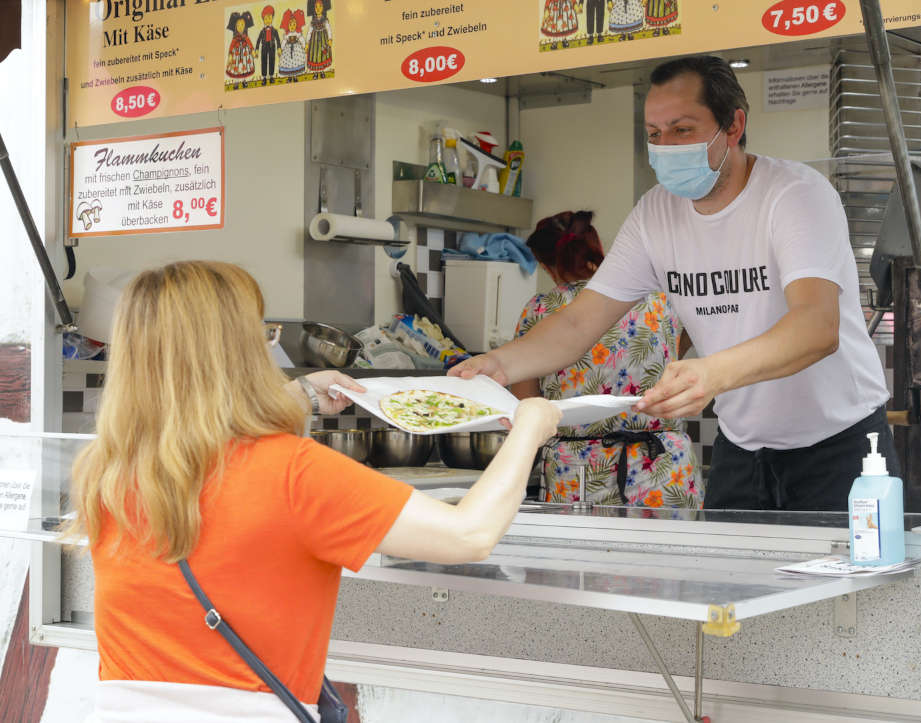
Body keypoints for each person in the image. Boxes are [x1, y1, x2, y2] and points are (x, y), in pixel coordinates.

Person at [69, 261, 560, 721]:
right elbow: (467, 535)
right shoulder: (295, 474)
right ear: (236, 354)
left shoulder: (108, 470)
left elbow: (205, 435)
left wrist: (301, 393)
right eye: (260, 333)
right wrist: (529, 426)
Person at [452, 55, 898, 512]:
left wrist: (712, 373)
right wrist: (499, 364)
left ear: (734, 124)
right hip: (742, 450)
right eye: (654, 134)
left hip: (840, 446)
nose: (665, 146)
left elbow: (816, 327)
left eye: (682, 130)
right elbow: (577, 324)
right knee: (730, 584)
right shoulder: (654, 214)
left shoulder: (793, 195)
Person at [511, 210, 701, 508]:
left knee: (583, 555)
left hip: (580, 473)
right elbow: (682, 345)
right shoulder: (661, 299)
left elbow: (525, 404)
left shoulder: (540, 310)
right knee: (670, 555)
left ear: (548, 266)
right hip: (665, 468)